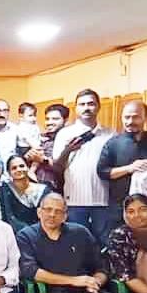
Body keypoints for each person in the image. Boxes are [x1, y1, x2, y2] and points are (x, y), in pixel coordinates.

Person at [16, 193, 143, 293]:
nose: (52, 214)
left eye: (58, 211)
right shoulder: (26, 236)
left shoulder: (80, 232)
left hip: (90, 290)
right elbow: (30, 271)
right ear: (39, 212)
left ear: (65, 215)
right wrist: (74, 280)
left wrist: (95, 283)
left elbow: (102, 266)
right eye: (48, 209)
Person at [51, 89, 115, 242]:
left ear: (98, 107)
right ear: (76, 108)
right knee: (77, 244)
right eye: (82, 104)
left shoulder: (111, 134)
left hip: (104, 200)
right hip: (74, 201)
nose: (86, 108)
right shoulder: (65, 134)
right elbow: (57, 167)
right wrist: (68, 149)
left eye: (91, 104)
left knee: (105, 245)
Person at [96, 99, 147, 234]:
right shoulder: (113, 143)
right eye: (126, 117)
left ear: (146, 118)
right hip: (119, 208)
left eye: (135, 117)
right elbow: (102, 171)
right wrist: (129, 168)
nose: (130, 121)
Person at [0, 154, 48, 232]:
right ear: (9, 173)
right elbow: (9, 217)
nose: (19, 170)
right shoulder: (5, 190)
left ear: (28, 168)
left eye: (21, 166)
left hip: (40, 232)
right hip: (15, 233)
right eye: (14, 168)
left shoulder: (42, 190)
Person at [23, 102, 68, 191]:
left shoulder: (69, 140)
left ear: (65, 120)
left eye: (55, 119)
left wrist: (44, 160)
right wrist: (28, 156)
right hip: (36, 188)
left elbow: (66, 168)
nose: (49, 122)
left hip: (57, 190)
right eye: (47, 119)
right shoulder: (41, 138)